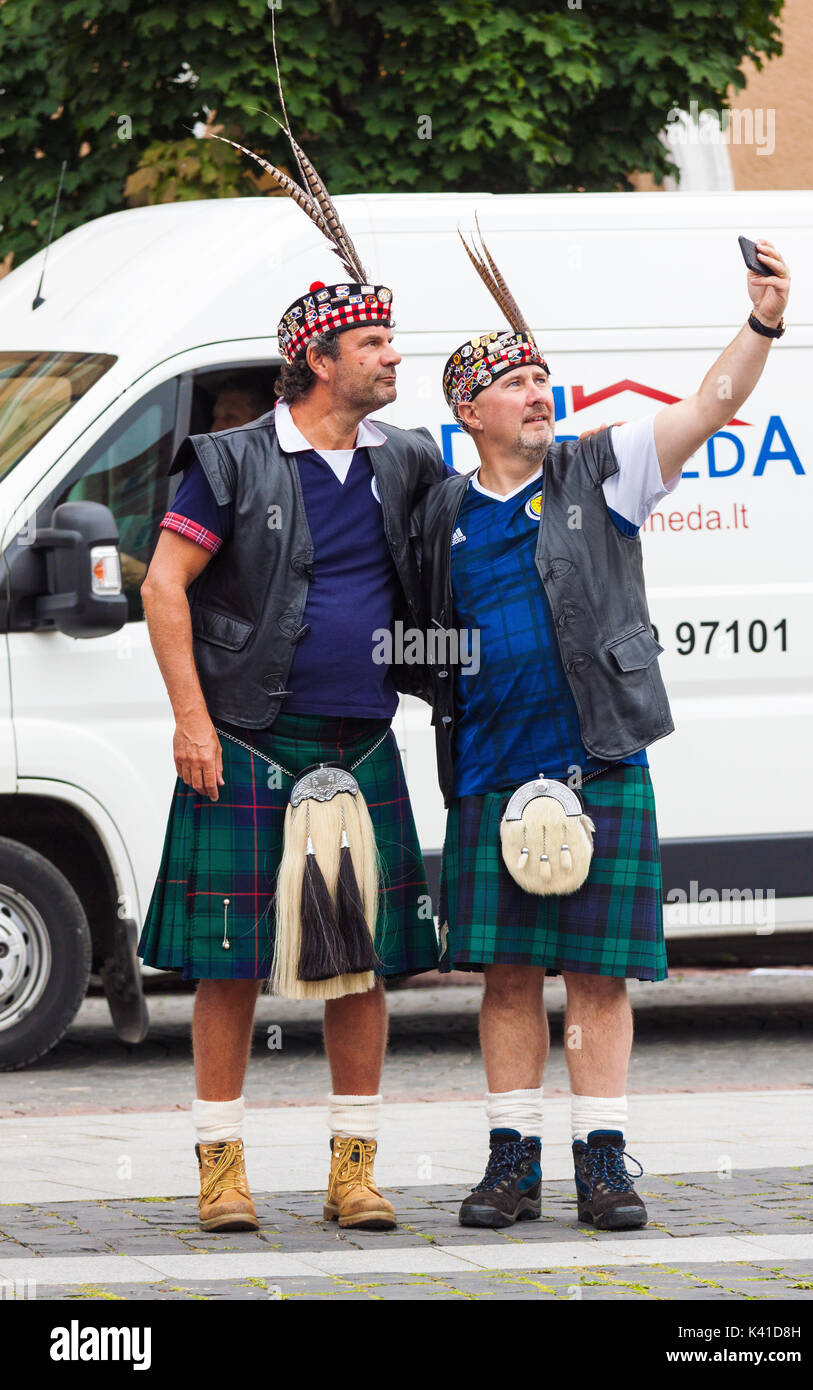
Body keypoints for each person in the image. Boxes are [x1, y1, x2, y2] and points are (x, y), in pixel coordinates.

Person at [414, 225, 790, 1231]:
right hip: (491, 770)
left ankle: (602, 1160)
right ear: (469, 411)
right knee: (501, 975)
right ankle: (509, 1163)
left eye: (543, 380)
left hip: (598, 761)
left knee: (596, 972)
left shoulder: (601, 473)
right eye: (515, 385)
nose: (539, 394)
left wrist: (759, 323)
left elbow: (708, 408)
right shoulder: (440, 513)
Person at [137, 116, 446, 1237]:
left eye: (391, 343)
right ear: (317, 358)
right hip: (249, 740)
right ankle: (221, 1172)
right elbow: (162, 588)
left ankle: (352, 1171)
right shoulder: (226, 461)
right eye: (373, 345)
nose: (391, 358)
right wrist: (191, 719)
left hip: (360, 744)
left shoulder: (407, 460)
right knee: (228, 970)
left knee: (357, 968)